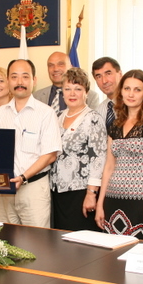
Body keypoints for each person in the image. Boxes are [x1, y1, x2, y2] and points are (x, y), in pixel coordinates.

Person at [0, 59, 61, 227]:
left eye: (25, 77)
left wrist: (23, 177)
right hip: (2, 190)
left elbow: (50, 155)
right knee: (4, 241)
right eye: (14, 77)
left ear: (34, 80)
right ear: (8, 80)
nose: (19, 82)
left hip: (33, 189)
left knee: (36, 242)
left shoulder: (46, 113)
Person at [96, 70, 143, 241]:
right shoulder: (115, 124)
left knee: (139, 254)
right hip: (112, 199)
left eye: (137, 89)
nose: (131, 94)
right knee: (112, 256)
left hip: (140, 201)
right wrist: (100, 204)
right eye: (127, 89)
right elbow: (109, 167)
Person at [50, 68, 106, 231]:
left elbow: (98, 158)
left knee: (81, 243)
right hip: (58, 191)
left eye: (78, 89)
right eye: (67, 89)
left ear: (86, 92)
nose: (72, 94)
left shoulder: (93, 118)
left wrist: (91, 193)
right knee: (61, 240)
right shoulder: (57, 116)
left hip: (81, 192)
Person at [33, 51, 99, 112]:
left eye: (60, 64)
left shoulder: (91, 97)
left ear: (71, 67)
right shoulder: (36, 96)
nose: (55, 69)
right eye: (51, 65)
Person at [91, 56, 123, 129]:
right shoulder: (97, 112)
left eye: (108, 74)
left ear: (120, 74)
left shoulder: (134, 106)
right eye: (99, 76)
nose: (104, 81)